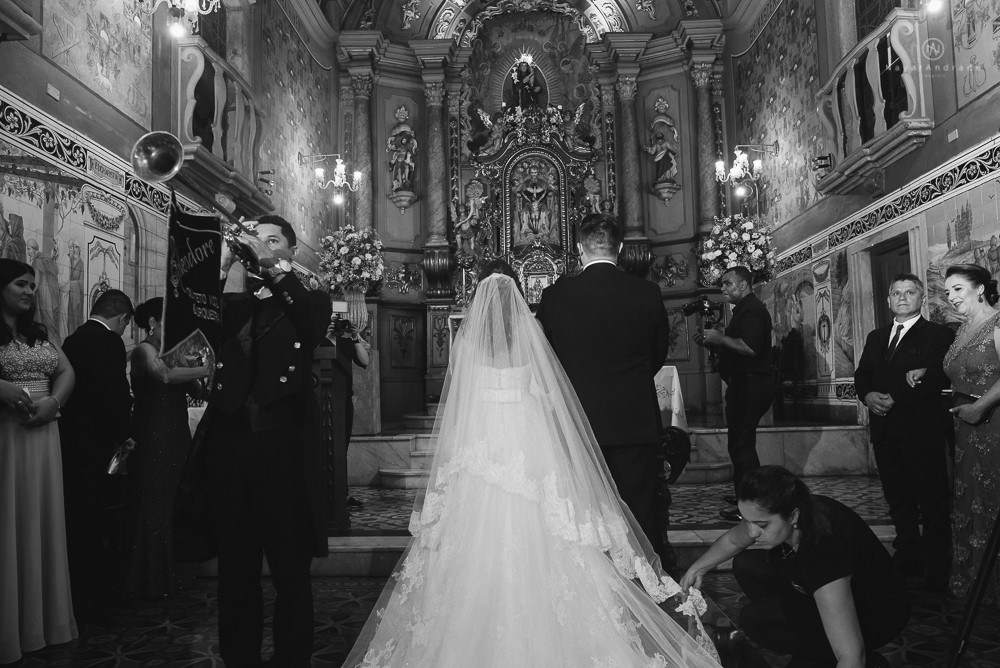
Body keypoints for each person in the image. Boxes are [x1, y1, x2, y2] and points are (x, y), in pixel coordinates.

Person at [343, 261, 721, 668]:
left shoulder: (465, 341)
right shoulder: (532, 332)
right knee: (547, 527)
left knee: (472, 533)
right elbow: (548, 391)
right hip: (527, 436)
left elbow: (458, 403)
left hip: (481, 441)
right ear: (519, 295)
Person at [176, 215, 326, 667]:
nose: (259, 244)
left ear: (289, 250)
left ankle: (292, 659)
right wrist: (218, 267)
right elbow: (183, 332)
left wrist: (274, 271)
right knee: (236, 571)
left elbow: (311, 327)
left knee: (289, 569)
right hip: (230, 444)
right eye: (254, 237)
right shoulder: (233, 303)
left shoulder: (309, 296)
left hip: (282, 446)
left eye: (271, 239)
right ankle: (239, 658)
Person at [535, 214, 672, 564]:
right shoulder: (648, 292)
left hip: (579, 421)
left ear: (580, 249)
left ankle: (597, 577)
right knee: (640, 505)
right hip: (635, 420)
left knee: (583, 506)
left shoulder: (555, 296)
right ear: (621, 249)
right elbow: (658, 353)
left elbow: (547, 358)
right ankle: (641, 578)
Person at [681, 466, 910, 668]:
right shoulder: (791, 506)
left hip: (874, 615)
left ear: (793, 516)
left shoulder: (824, 553)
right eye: (746, 520)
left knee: (757, 620)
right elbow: (734, 540)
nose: (752, 532)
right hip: (822, 588)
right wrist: (697, 569)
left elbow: (852, 657)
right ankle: (814, 642)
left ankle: (843, 657)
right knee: (747, 565)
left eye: (761, 525)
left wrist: (852, 657)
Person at [854, 272, 954, 592]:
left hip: (920, 431)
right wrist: (868, 396)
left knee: (932, 500)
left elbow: (937, 377)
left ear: (921, 298)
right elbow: (862, 375)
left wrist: (894, 397)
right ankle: (907, 555)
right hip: (884, 431)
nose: (902, 297)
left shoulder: (937, 335)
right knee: (898, 499)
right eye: (896, 292)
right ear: (888, 300)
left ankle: (938, 564)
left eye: (909, 292)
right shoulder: (875, 336)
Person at [0, 259, 77, 664]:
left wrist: (54, 401)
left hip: (45, 433)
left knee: (38, 520)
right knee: (8, 522)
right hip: (6, 436)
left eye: (32, 285)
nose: (30, 291)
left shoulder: (39, 333)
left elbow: (66, 371)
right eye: (20, 284)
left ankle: (41, 622)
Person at [122, 297, 209, 597]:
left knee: (176, 500)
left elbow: (197, 390)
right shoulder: (142, 351)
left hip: (176, 434)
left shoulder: (173, 354)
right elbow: (165, 376)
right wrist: (209, 369)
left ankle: (176, 571)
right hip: (152, 434)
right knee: (153, 500)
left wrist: (199, 366)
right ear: (152, 324)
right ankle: (149, 577)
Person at [58, 288, 134, 623]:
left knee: (76, 518)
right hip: (96, 443)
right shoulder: (111, 342)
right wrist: (125, 435)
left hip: (68, 440)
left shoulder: (72, 339)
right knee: (97, 517)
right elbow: (115, 394)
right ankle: (98, 595)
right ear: (123, 318)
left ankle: (76, 592)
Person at [693, 266, 773, 522]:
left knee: (743, 446)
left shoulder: (751, 310)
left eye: (727, 284)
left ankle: (752, 505)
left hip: (751, 386)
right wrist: (715, 339)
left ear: (743, 285)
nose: (723, 289)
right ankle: (745, 496)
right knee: (739, 444)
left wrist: (720, 338)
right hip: (744, 385)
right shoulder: (745, 310)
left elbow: (750, 347)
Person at [940, 263, 1000, 603]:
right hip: (964, 430)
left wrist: (979, 408)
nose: (951, 297)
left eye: (958, 289)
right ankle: (976, 581)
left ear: (979, 288)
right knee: (970, 496)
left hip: (993, 424)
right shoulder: (962, 330)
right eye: (948, 292)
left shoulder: (998, 323)